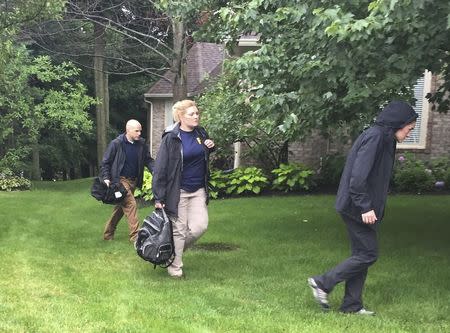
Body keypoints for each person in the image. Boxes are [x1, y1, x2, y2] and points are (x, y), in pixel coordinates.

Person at [308, 100, 418, 315]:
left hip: (362, 207)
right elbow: (358, 178)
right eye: (409, 129)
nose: (409, 134)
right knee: (368, 254)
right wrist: (366, 207)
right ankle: (322, 283)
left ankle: (351, 305)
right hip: (356, 206)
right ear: (398, 123)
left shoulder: (385, 139)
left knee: (361, 255)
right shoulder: (376, 137)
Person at [152, 99, 215, 278]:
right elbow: (160, 168)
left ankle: (169, 252)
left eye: (197, 113)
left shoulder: (200, 132)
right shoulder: (171, 137)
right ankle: (175, 267)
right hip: (177, 191)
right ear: (180, 116)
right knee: (179, 230)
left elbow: (202, 152)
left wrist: (210, 146)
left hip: (198, 190)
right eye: (192, 114)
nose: (196, 116)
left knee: (199, 227)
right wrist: (159, 197)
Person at [100, 119, 154, 242]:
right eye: (137, 131)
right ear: (128, 130)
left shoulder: (141, 144)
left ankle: (108, 234)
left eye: (140, 131)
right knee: (131, 204)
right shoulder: (117, 144)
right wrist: (106, 177)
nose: (140, 133)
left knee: (120, 208)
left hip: (133, 181)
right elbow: (106, 162)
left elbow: (148, 160)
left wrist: (155, 171)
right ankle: (135, 237)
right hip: (120, 181)